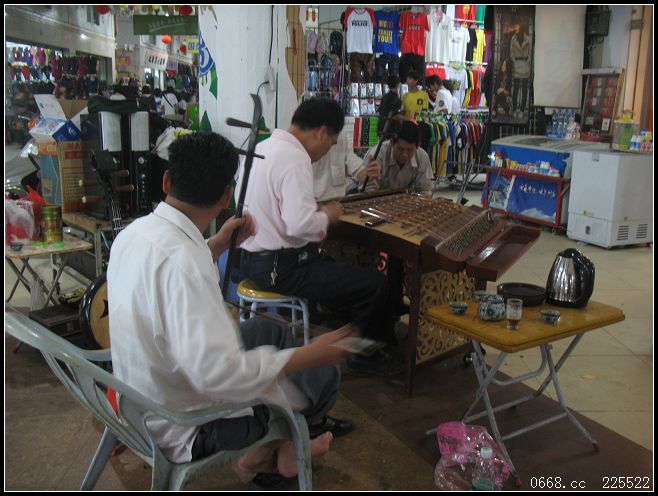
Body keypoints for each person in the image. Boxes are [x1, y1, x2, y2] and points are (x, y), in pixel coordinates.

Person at [107, 131, 354, 483]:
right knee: (317, 374)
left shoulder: (134, 234)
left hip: (141, 392)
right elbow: (221, 375)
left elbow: (169, 277)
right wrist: (307, 356)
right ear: (227, 196)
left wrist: (218, 244)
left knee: (266, 330)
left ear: (167, 181)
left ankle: (277, 446)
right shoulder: (187, 265)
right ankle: (269, 452)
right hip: (184, 426)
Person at [238, 98, 403, 377]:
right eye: (330, 143)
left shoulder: (261, 147)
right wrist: (327, 214)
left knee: (347, 272)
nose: (327, 151)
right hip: (282, 269)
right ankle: (366, 357)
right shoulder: (295, 158)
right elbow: (299, 225)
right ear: (321, 132)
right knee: (374, 285)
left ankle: (351, 334)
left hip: (253, 260)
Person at [363, 120, 433, 195]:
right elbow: (368, 191)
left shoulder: (422, 157)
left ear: (417, 146)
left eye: (409, 150)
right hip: (377, 199)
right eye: (400, 149)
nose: (404, 155)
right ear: (392, 143)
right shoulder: (377, 155)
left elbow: (425, 191)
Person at [312, 131, 378, 202]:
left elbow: (357, 169)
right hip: (312, 206)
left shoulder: (341, 138)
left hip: (339, 204)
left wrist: (370, 171)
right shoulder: (306, 144)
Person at [510, 23, 531, 119]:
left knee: (524, 90)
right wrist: (514, 60)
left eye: (517, 27)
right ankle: (514, 109)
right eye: (515, 27)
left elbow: (530, 52)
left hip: (525, 64)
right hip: (517, 64)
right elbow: (511, 52)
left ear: (521, 28)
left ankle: (522, 110)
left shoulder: (527, 39)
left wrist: (528, 61)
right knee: (516, 89)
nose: (515, 29)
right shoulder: (513, 39)